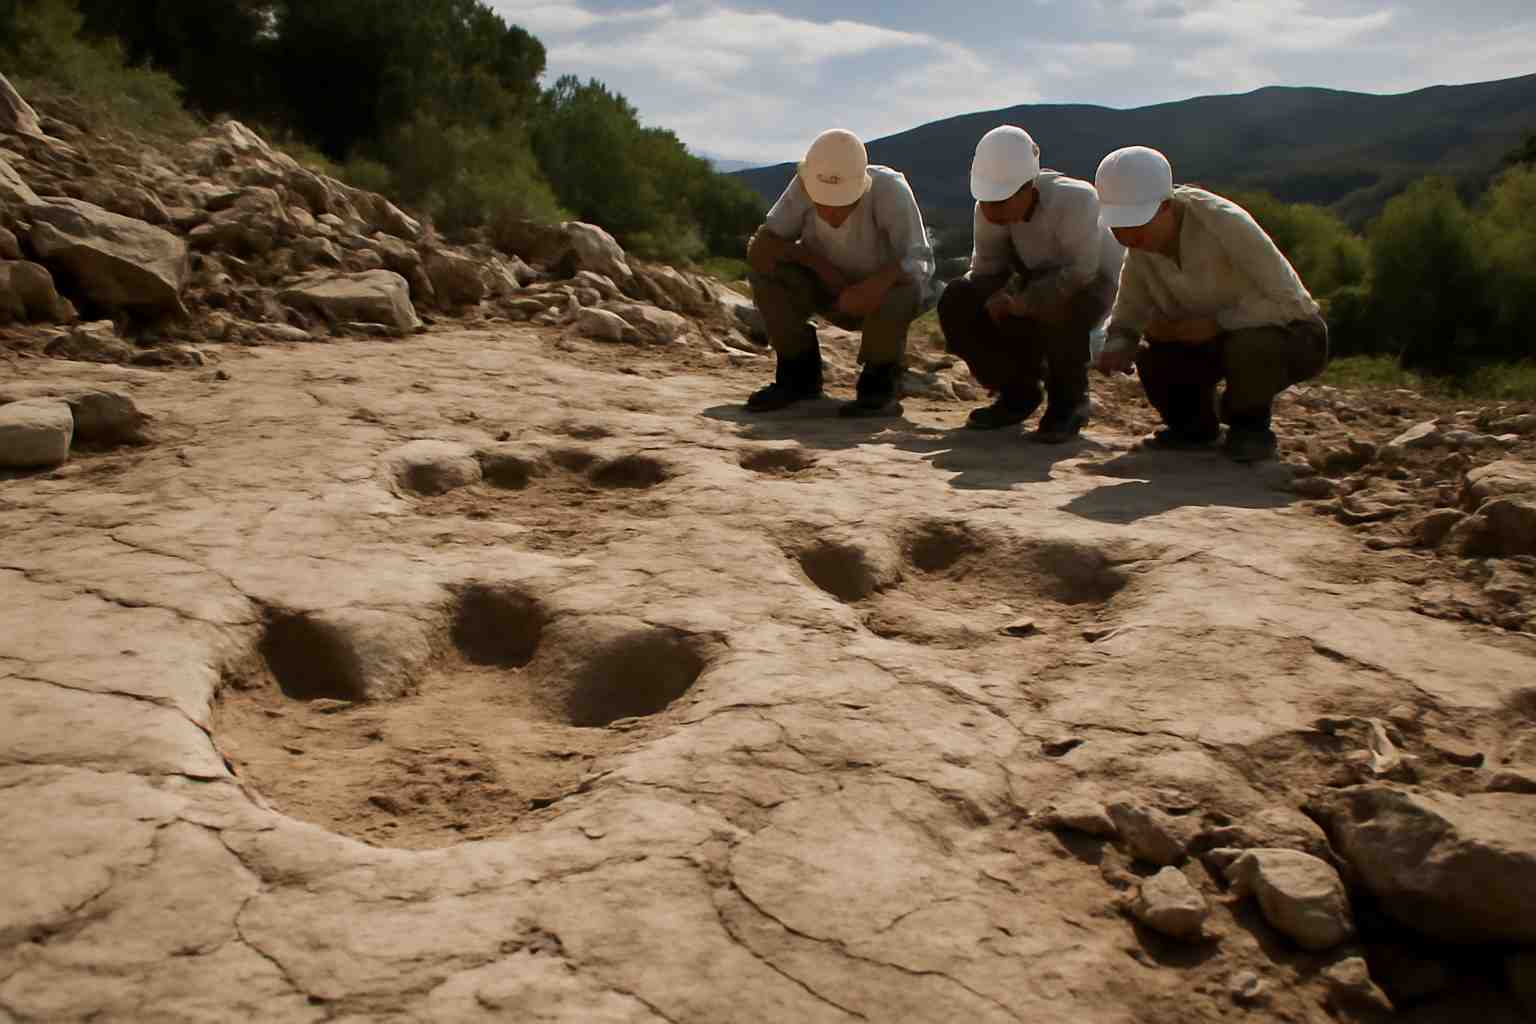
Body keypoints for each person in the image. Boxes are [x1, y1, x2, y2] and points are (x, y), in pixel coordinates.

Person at [1093, 146, 1328, 462]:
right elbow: (1128, 313)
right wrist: (1119, 343)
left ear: (1165, 207)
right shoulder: (1140, 247)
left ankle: (1251, 429)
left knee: (1250, 347)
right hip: (1210, 341)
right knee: (1152, 351)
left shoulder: (1224, 222)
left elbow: (1294, 305)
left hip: (1292, 335)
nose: (1126, 236)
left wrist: (1217, 324)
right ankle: (1191, 429)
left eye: (1135, 223)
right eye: (1118, 226)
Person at [938, 126, 1125, 441]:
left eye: (1002, 200)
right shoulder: (987, 210)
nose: (991, 210)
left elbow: (1081, 273)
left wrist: (1020, 302)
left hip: (1091, 288)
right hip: (1029, 284)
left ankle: (1070, 401)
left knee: (1060, 306)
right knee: (957, 297)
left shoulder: (1076, 199)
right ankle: (1017, 392)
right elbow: (985, 270)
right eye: (986, 201)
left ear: (1029, 187)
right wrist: (991, 298)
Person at [744, 128, 934, 417]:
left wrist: (873, 286)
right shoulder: (806, 181)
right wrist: (818, 264)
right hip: (826, 287)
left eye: (842, 203)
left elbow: (920, 261)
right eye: (823, 203)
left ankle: (880, 382)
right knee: (768, 269)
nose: (831, 213)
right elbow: (763, 247)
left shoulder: (891, 189)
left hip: (882, 299)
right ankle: (798, 375)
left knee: (906, 288)